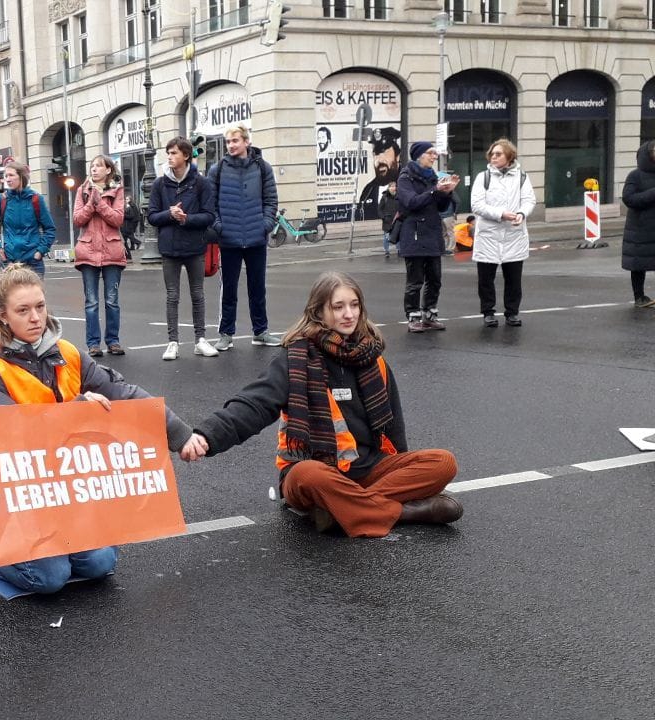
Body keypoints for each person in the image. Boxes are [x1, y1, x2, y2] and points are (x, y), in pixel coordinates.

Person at [0, 264, 195, 593]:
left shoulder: (66, 353)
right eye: (23, 310)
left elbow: (124, 393)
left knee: (101, 563)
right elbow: (14, 435)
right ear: (2, 316)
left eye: (40, 307)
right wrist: (78, 413)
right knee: (50, 577)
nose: (35, 318)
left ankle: (61, 540)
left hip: (60, 491)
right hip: (12, 496)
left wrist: (180, 434)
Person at [180, 271, 463, 538]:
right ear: (319, 312)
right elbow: (253, 405)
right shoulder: (296, 359)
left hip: (367, 469)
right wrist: (206, 436)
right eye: (338, 307)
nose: (349, 314)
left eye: (354, 305)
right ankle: (401, 512)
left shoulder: (374, 360)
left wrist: (405, 473)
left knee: (443, 462)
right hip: (315, 471)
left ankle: (344, 509)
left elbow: (394, 428)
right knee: (308, 474)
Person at [207, 123, 283, 350]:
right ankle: (226, 334)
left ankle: (260, 331)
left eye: (235, 141)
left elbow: (271, 200)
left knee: (257, 288)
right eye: (228, 142)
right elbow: (210, 205)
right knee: (228, 289)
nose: (231, 145)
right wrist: (219, 227)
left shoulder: (263, 168)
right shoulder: (217, 170)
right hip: (228, 240)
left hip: (256, 238)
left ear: (246, 142)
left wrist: (265, 225)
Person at [148, 137, 218, 361]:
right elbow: (151, 217)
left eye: (174, 153)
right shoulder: (159, 184)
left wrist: (186, 219)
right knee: (172, 296)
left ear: (186, 156)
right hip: (169, 249)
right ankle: (173, 342)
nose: (169, 157)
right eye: (168, 153)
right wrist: (170, 214)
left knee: (197, 294)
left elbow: (209, 216)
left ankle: (200, 340)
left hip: (194, 246)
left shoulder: (201, 183)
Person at [470, 139, 537, 328]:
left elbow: (529, 200)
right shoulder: (483, 177)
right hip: (489, 235)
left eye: (498, 154)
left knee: (514, 278)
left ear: (509, 156)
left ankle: (512, 312)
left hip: (514, 235)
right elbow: (477, 205)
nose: (494, 157)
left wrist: (522, 214)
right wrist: (501, 214)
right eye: (492, 154)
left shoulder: (522, 177)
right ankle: (488, 312)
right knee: (486, 279)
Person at [396, 141, 459, 333]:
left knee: (435, 278)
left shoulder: (433, 177)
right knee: (415, 280)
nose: (434, 157)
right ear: (419, 155)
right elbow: (411, 202)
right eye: (431, 153)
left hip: (432, 233)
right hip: (413, 233)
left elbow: (439, 207)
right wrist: (435, 191)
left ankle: (430, 314)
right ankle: (413, 316)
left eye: (435, 153)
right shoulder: (405, 177)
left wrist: (447, 193)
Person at [73, 154, 128, 357]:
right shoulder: (82, 190)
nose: (94, 169)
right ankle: (93, 344)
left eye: (98, 166)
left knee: (112, 300)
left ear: (108, 170)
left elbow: (118, 219)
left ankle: (113, 341)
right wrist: (91, 204)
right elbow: (78, 219)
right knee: (92, 302)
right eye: (92, 166)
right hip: (88, 251)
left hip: (111, 251)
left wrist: (100, 204)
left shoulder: (117, 190)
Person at [0, 161, 57, 276]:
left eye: (11, 175)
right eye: (6, 176)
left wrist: (40, 252)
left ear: (21, 176)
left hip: (33, 262)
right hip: (9, 261)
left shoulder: (36, 199)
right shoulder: (1, 199)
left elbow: (50, 229)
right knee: (11, 294)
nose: (7, 179)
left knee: (33, 294)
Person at [621, 140, 655, 307]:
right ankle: (639, 296)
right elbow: (628, 198)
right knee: (639, 264)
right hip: (640, 228)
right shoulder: (635, 175)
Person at [355, 127, 403, 222]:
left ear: (397, 156)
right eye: (376, 154)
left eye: (384, 152)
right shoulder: (368, 190)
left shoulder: (406, 183)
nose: (379, 160)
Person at [378, 181, 399, 258]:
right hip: (388, 220)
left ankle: (399, 250)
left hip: (397, 219)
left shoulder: (399, 195)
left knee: (398, 235)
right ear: (389, 188)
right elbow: (380, 209)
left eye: (395, 186)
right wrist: (383, 217)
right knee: (386, 237)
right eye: (392, 186)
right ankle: (386, 251)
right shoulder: (385, 197)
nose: (394, 188)